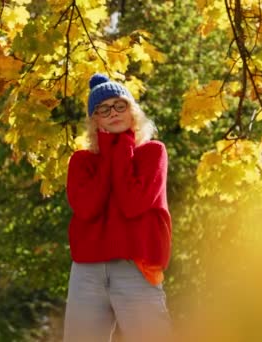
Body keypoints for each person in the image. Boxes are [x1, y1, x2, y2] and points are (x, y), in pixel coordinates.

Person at [63, 73, 173, 342]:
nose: (113, 112)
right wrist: (108, 153)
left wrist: (121, 146)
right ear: (95, 120)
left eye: (120, 105)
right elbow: (87, 209)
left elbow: (133, 204)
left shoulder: (153, 153)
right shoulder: (81, 161)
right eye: (103, 108)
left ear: (132, 111)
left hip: (136, 267)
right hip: (87, 272)